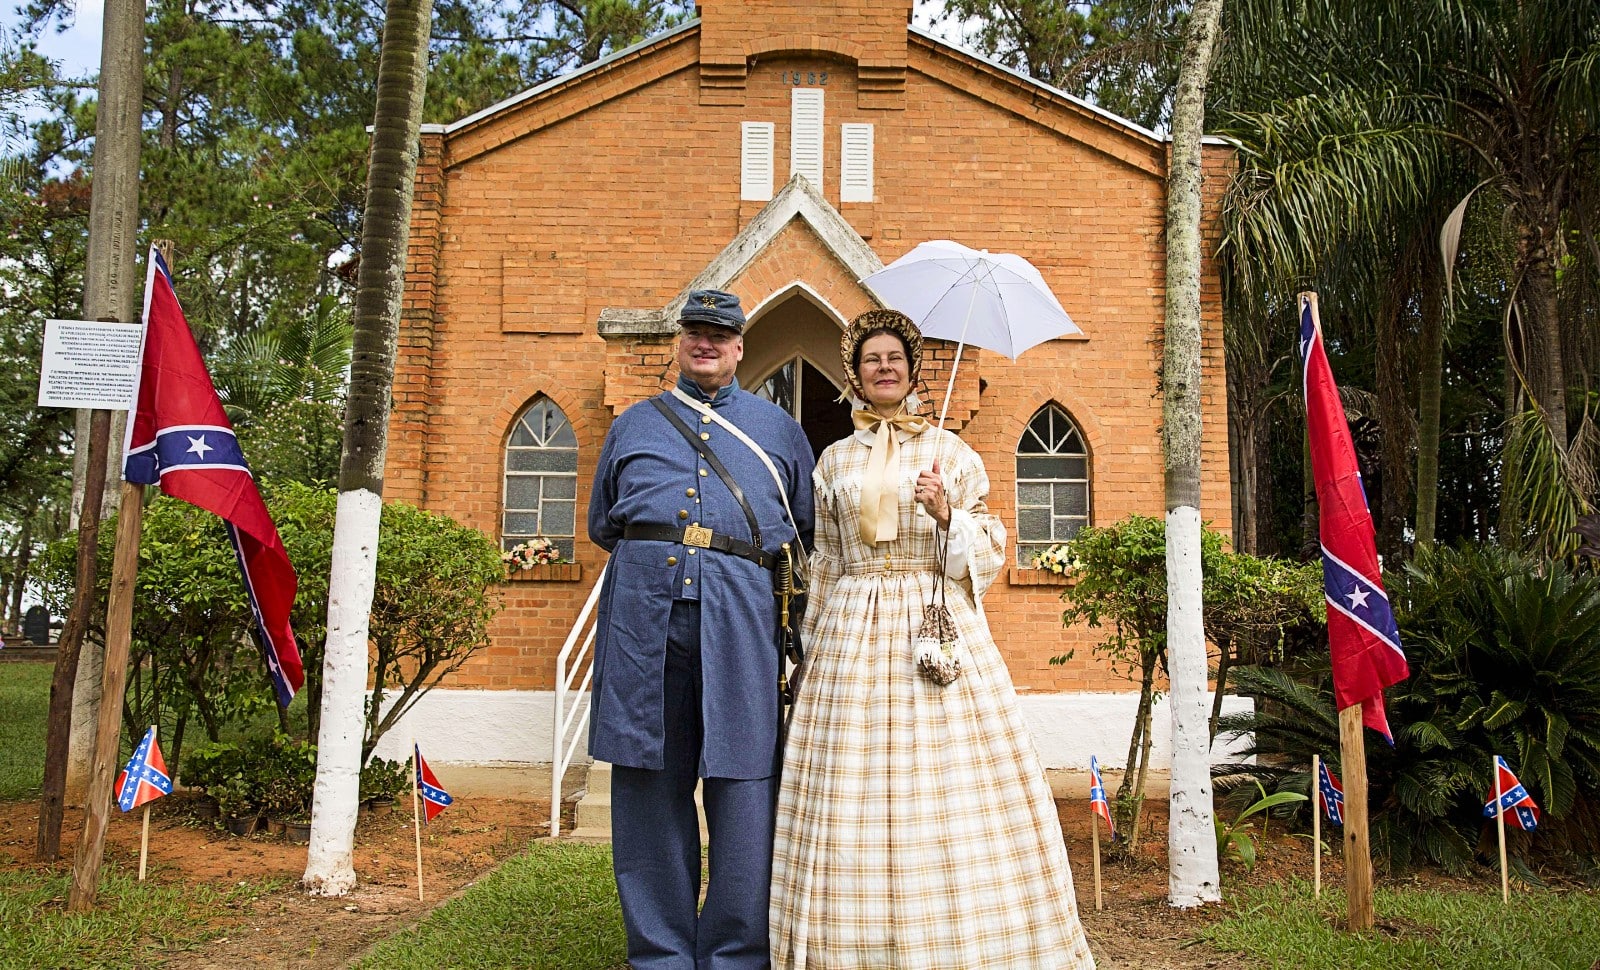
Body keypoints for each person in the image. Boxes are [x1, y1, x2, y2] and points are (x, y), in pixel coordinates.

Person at [769, 308, 1096, 969]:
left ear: (912, 370)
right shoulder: (833, 459)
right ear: (855, 376)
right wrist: (811, 646)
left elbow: (991, 553)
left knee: (943, 784)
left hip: (933, 620)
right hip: (852, 631)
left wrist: (947, 515)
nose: (883, 368)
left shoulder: (953, 454)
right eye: (870, 360)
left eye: (893, 358)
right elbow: (826, 559)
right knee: (851, 784)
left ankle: (959, 938)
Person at [589, 288, 816, 970]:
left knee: (744, 785)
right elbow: (605, 521)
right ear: (679, 341)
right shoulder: (632, 424)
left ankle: (735, 954)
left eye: (721, 333)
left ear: (741, 346)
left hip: (741, 621)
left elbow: (802, 530)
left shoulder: (779, 431)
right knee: (647, 783)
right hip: (641, 621)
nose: (706, 342)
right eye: (695, 331)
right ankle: (659, 955)